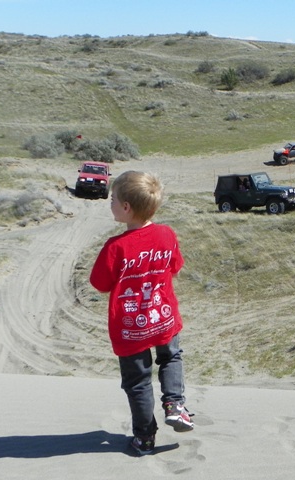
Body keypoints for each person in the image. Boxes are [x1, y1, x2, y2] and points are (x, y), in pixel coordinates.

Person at [89, 170, 194, 456]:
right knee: (171, 357)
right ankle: (175, 404)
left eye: (113, 200)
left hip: (130, 326)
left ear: (126, 208)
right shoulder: (166, 234)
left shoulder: (116, 247)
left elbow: (99, 283)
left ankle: (145, 438)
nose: (110, 204)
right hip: (163, 317)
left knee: (138, 382)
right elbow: (175, 266)